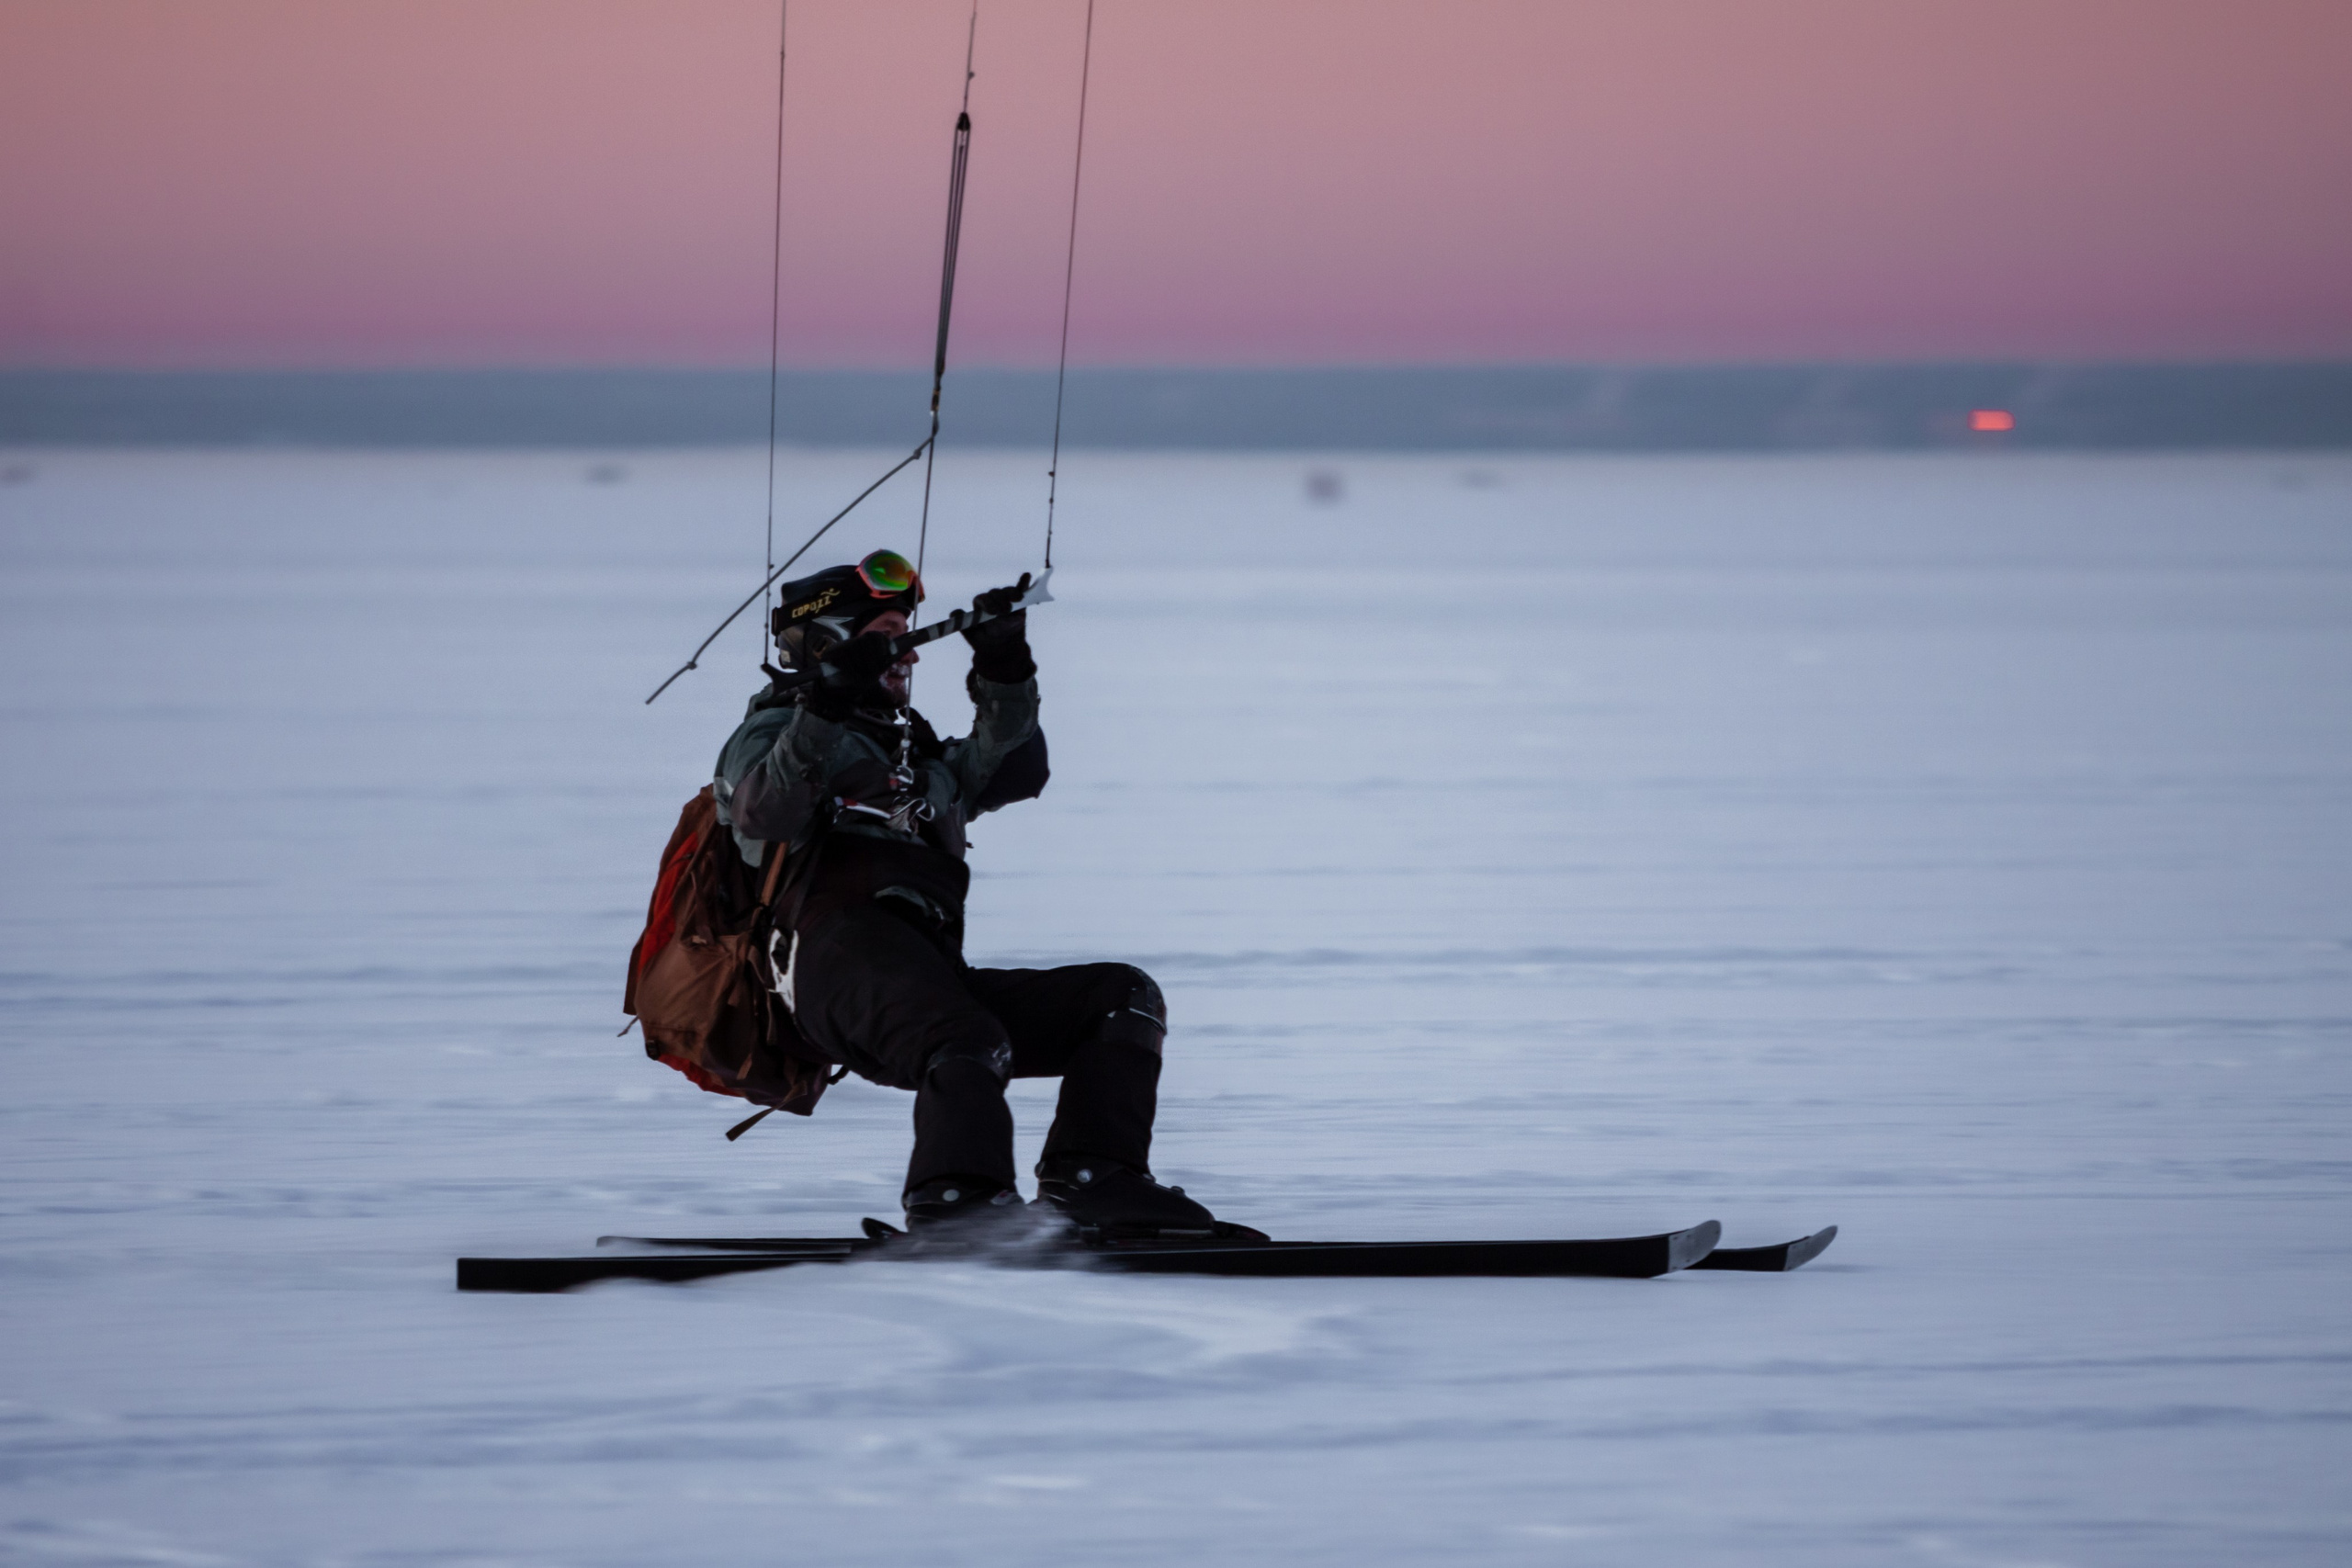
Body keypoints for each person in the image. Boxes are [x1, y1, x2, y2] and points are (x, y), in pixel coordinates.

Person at [710, 547, 1223, 1235]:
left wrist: (1005, 666)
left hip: (922, 973)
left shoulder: (910, 753)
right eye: (886, 636)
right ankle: (956, 1203)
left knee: (1121, 999)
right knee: (967, 1035)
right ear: (828, 643)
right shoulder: (771, 733)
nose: (909, 654)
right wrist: (823, 705)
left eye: (906, 634)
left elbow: (1012, 770)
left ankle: (1094, 1179)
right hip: (831, 970)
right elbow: (762, 812)